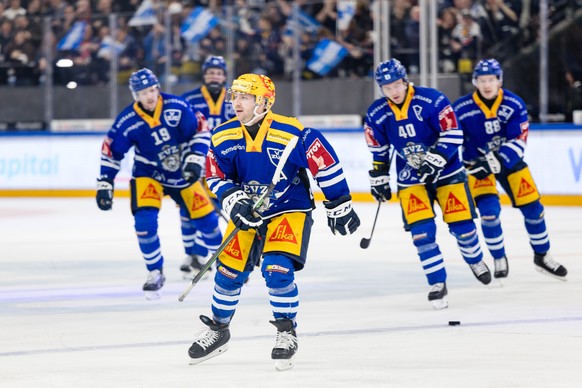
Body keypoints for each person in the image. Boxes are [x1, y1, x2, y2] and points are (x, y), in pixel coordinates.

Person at [187, 73, 361, 370]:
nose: (236, 102)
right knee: (228, 272)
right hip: (247, 212)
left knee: (277, 269)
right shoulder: (223, 135)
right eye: (235, 96)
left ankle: (286, 333)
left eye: (244, 97)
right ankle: (219, 329)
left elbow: (326, 165)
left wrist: (339, 203)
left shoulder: (292, 133)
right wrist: (234, 201)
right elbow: (216, 176)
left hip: (288, 209)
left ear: (264, 102)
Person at [364, 58, 491, 310]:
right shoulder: (377, 113)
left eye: (397, 85)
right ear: (381, 88)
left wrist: (436, 158)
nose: (394, 91)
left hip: (448, 173)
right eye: (387, 87)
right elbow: (379, 149)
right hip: (411, 179)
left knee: (463, 229)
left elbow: (454, 132)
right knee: (422, 235)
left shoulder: (432, 99)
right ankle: (436, 283)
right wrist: (380, 177)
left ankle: (475, 259)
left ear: (405, 80)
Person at [96, 68, 222, 300]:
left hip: (182, 172)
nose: (150, 96)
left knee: (208, 220)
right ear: (135, 95)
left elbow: (200, 130)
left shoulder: (177, 106)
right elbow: (112, 152)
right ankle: (155, 271)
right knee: (144, 222)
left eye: (153, 90)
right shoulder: (127, 120)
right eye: (143, 92)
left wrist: (195, 159)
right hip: (149, 173)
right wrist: (105, 182)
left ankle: (227, 266)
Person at [453, 58, 567, 281]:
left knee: (534, 209)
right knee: (488, 214)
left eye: (492, 79)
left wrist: (495, 161)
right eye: (482, 80)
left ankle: (542, 256)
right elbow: (452, 139)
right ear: (475, 82)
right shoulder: (461, 108)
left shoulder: (514, 104)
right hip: (476, 166)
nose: (487, 85)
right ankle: (498, 257)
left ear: (499, 80)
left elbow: (519, 139)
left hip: (510, 163)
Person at [178, 55, 236, 280]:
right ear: (204, 75)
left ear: (224, 76)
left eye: (219, 73)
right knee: (187, 210)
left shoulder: (235, 99)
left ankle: (200, 254)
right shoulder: (188, 99)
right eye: (211, 72)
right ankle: (190, 254)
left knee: (211, 209)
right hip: (194, 162)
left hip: (223, 165)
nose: (215, 76)